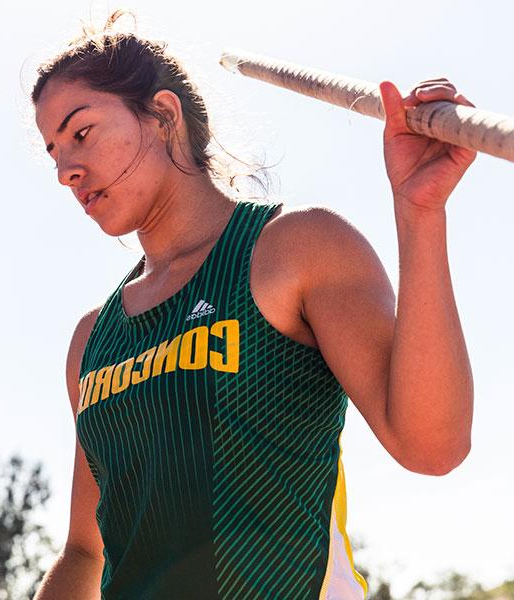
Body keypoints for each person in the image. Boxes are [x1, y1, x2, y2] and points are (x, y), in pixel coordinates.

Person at [31, 10, 475, 600]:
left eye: (81, 133)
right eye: (54, 152)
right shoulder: (93, 339)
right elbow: (85, 552)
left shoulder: (294, 249)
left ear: (163, 115)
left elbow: (433, 445)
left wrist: (419, 212)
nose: (67, 171)